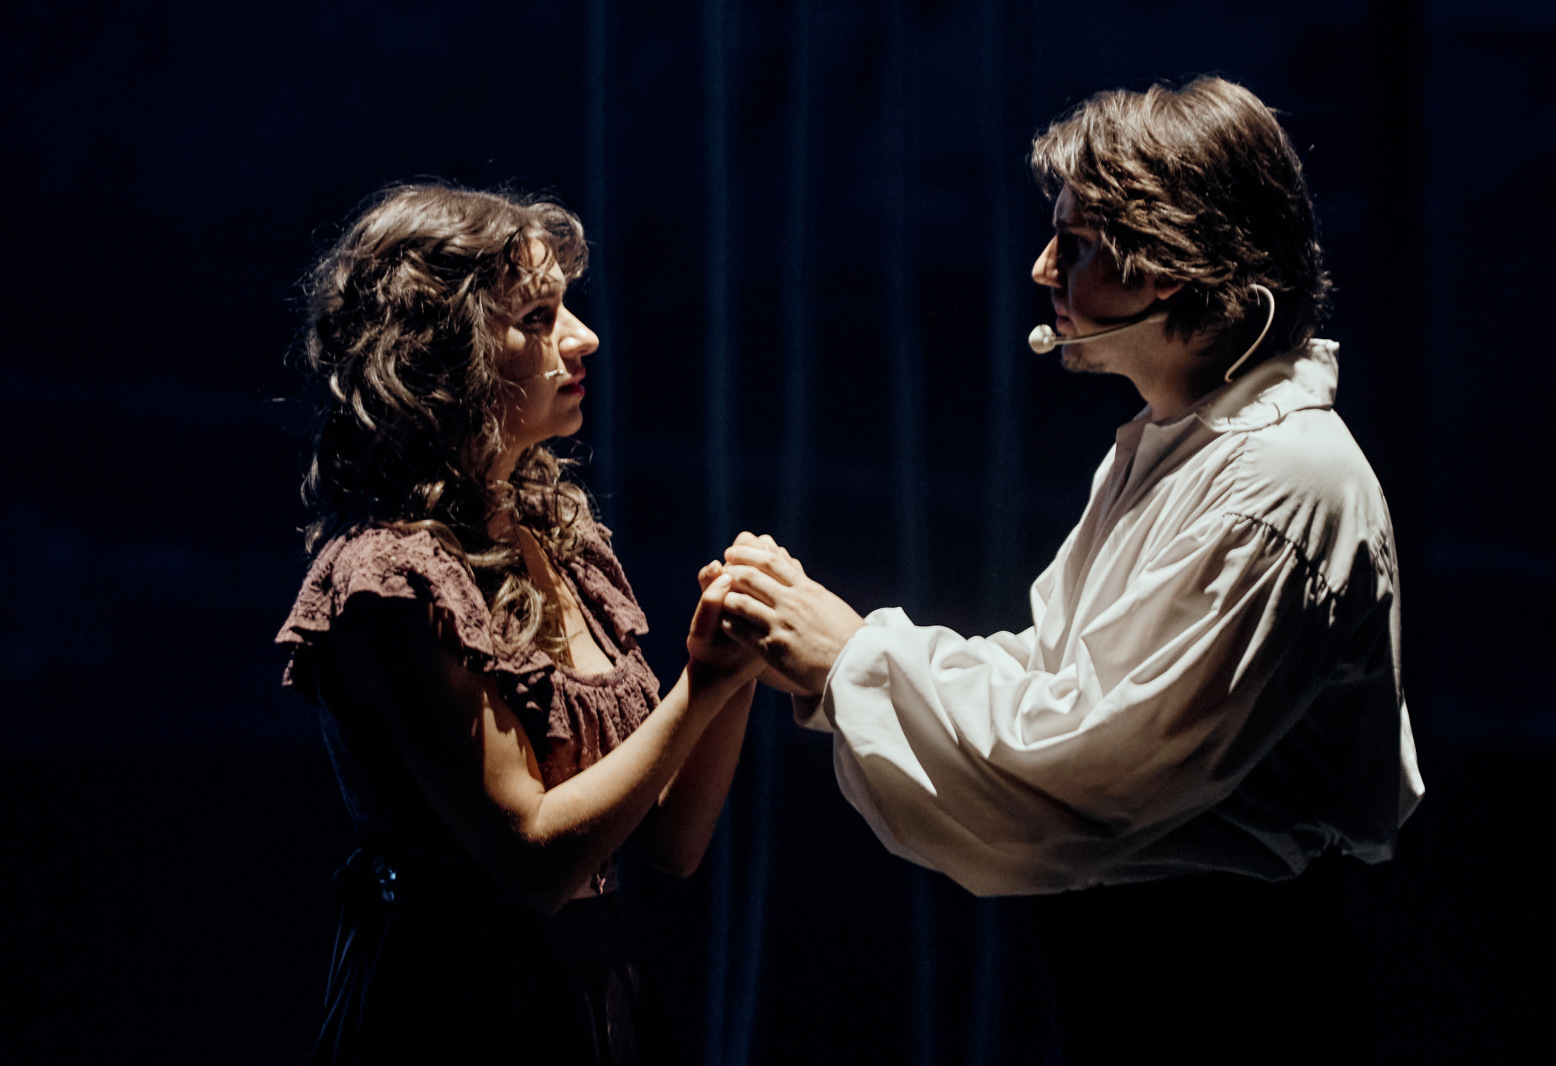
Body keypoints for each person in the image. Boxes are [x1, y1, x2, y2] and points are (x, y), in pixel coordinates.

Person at [718, 78, 1424, 1061]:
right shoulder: (1183, 448)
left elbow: (1097, 765)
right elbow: (1062, 675)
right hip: (1154, 970)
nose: (1043, 267)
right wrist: (836, 650)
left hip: (1227, 992)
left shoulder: (1277, 482)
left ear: (1167, 265)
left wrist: (853, 659)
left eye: (1077, 242)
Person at [276, 184, 761, 1065]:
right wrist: (702, 686)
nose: (583, 337)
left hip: (587, 987)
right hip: (461, 1006)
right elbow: (536, 861)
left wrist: (737, 660)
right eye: (537, 318)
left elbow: (669, 841)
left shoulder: (559, 537)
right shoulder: (391, 582)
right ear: (441, 352)